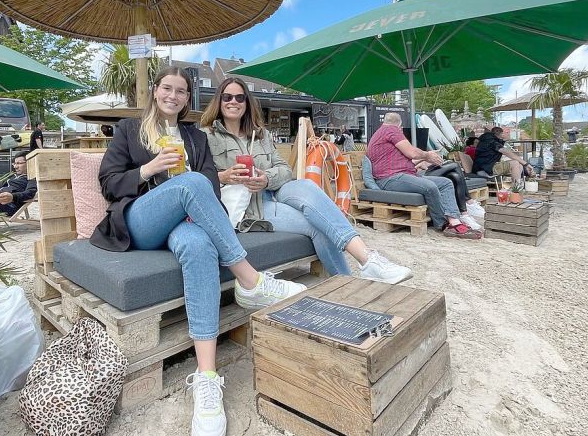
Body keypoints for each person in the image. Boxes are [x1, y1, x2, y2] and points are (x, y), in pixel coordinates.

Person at [91, 67, 305, 436]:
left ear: (189, 99)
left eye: (181, 91)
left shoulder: (194, 137)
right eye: (167, 89)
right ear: (155, 92)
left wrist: (196, 189)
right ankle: (250, 280)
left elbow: (209, 183)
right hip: (143, 220)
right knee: (189, 181)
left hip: (185, 223)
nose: (173, 96)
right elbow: (109, 184)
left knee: (199, 245)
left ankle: (207, 378)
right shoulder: (130, 129)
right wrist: (148, 168)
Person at [201, 78, 412, 285]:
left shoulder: (261, 134)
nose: (233, 102)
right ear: (219, 101)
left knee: (306, 185)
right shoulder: (207, 136)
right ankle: (350, 282)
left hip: (272, 191)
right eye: (227, 97)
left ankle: (368, 259)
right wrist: (224, 176)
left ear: (247, 103)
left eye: (240, 97)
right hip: (249, 207)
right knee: (319, 226)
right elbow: (198, 178)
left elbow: (284, 170)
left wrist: (267, 179)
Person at [367, 113, 480, 238]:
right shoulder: (392, 130)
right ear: (400, 126)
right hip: (390, 178)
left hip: (400, 175)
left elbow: (405, 159)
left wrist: (425, 158)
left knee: (446, 183)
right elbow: (412, 152)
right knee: (430, 186)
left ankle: (454, 220)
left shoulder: (380, 133)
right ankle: (442, 223)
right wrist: (427, 155)